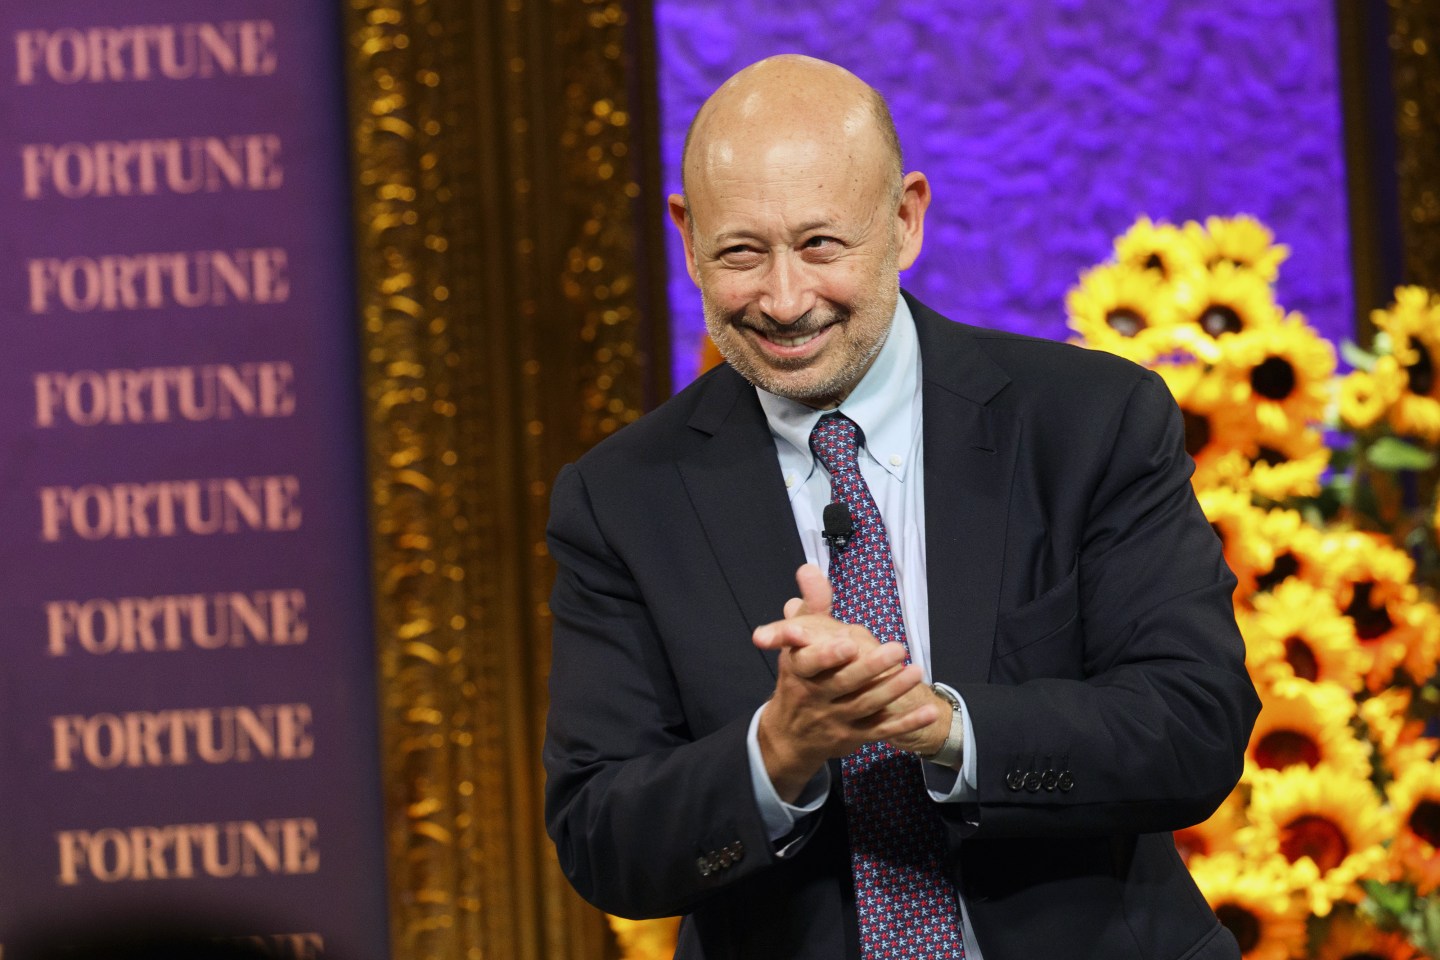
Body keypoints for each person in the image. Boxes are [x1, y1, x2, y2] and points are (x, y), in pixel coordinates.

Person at [543, 55, 1259, 960]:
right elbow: (602, 837)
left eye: (820, 245)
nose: (785, 299)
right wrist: (780, 750)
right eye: (740, 253)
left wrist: (945, 726)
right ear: (685, 236)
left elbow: (1191, 723)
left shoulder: (1088, 423)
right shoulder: (620, 499)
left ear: (906, 218)